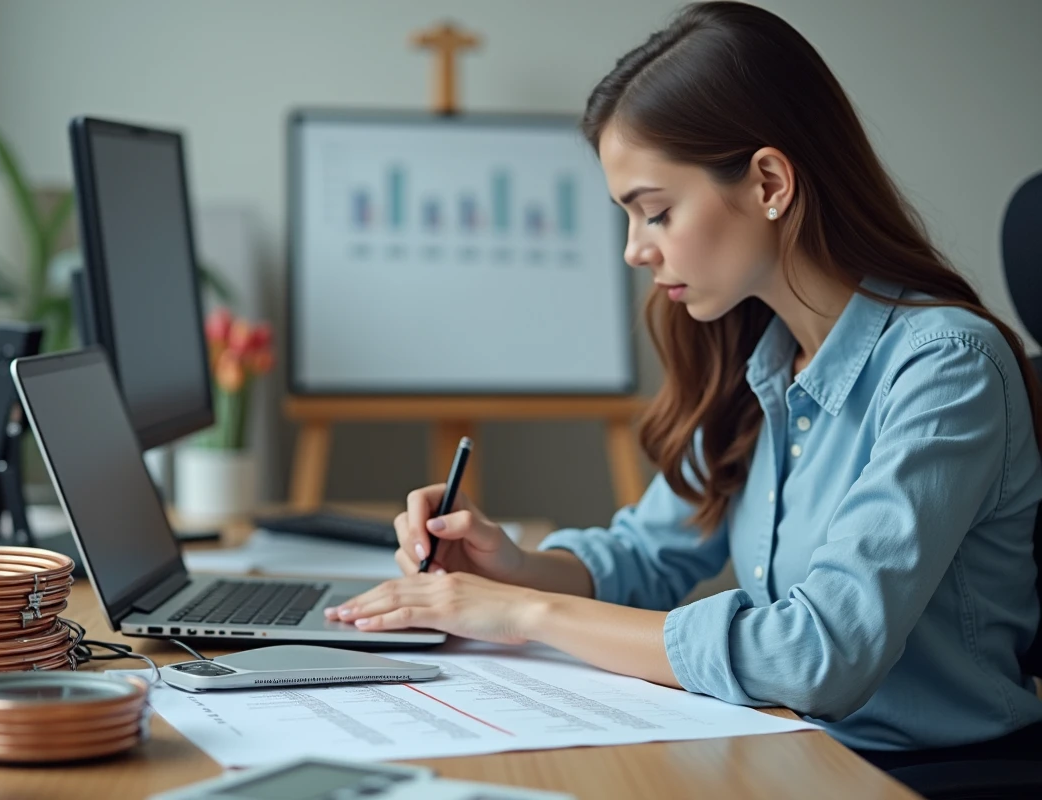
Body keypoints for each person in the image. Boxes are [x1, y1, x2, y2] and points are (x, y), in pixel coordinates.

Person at [324, 1, 1042, 767]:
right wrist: (508, 565)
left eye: (656, 213)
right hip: (794, 749)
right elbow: (647, 554)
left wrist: (524, 611)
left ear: (769, 182)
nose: (634, 250)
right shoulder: (757, 357)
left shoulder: (945, 368)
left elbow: (818, 654)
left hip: (930, 775)